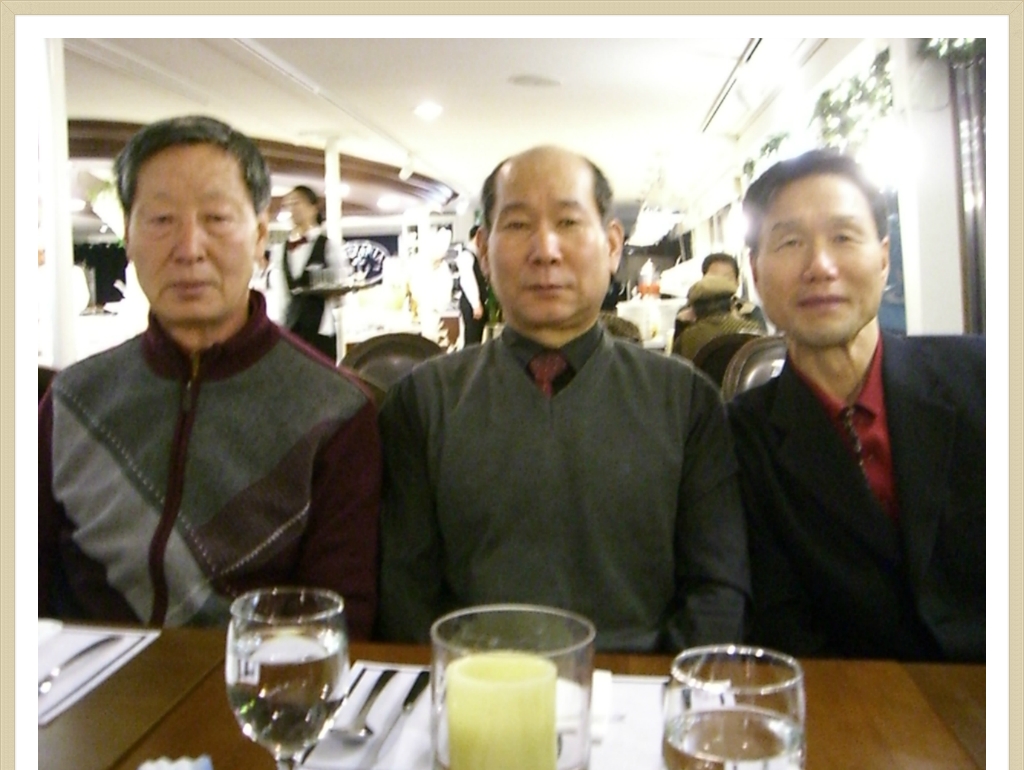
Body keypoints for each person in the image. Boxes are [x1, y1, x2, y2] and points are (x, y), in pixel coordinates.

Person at [376, 145, 750, 652]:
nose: (545, 250)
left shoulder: (686, 401)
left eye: (569, 222)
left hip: (642, 686)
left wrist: (659, 685)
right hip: (475, 684)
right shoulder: (422, 402)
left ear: (612, 245)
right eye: (517, 225)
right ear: (483, 251)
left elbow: (717, 589)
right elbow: (405, 595)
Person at [38, 116, 381, 638]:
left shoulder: (336, 411)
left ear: (259, 236)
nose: (189, 248)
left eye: (217, 218)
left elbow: (338, 620)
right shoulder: (73, 400)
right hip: (86, 681)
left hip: (259, 681)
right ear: (128, 236)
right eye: (161, 219)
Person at [728, 148, 985, 663]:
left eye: (843, 237)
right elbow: (781, 627)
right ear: (755, 272)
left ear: (884, 258)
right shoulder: (741, 436)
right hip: (853, 701)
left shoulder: (985, 377)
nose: (820, 267)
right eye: (790, 242)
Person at [277, 185, 348, 361]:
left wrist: (334, 294)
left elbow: (342, 285)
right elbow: (280, 294)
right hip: (291, 329)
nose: (293, 209)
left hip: (321, 329)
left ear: (313, 207)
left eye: (297, 202)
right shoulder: (281, 249)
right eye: (290, 204)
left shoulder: (329, 246)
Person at [671, 269, 766, 360]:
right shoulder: (753, 329)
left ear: (694, 309)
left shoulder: (688, 338)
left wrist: (680, 326)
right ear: (731, 303)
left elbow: (677, 364)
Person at [454, 224, 489, 345]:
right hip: (471, 305)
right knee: (472, 340)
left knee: (476, 340)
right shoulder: (466, 255)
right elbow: (468, 281)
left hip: (476, 304)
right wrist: (476, 304)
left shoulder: (477, 255)